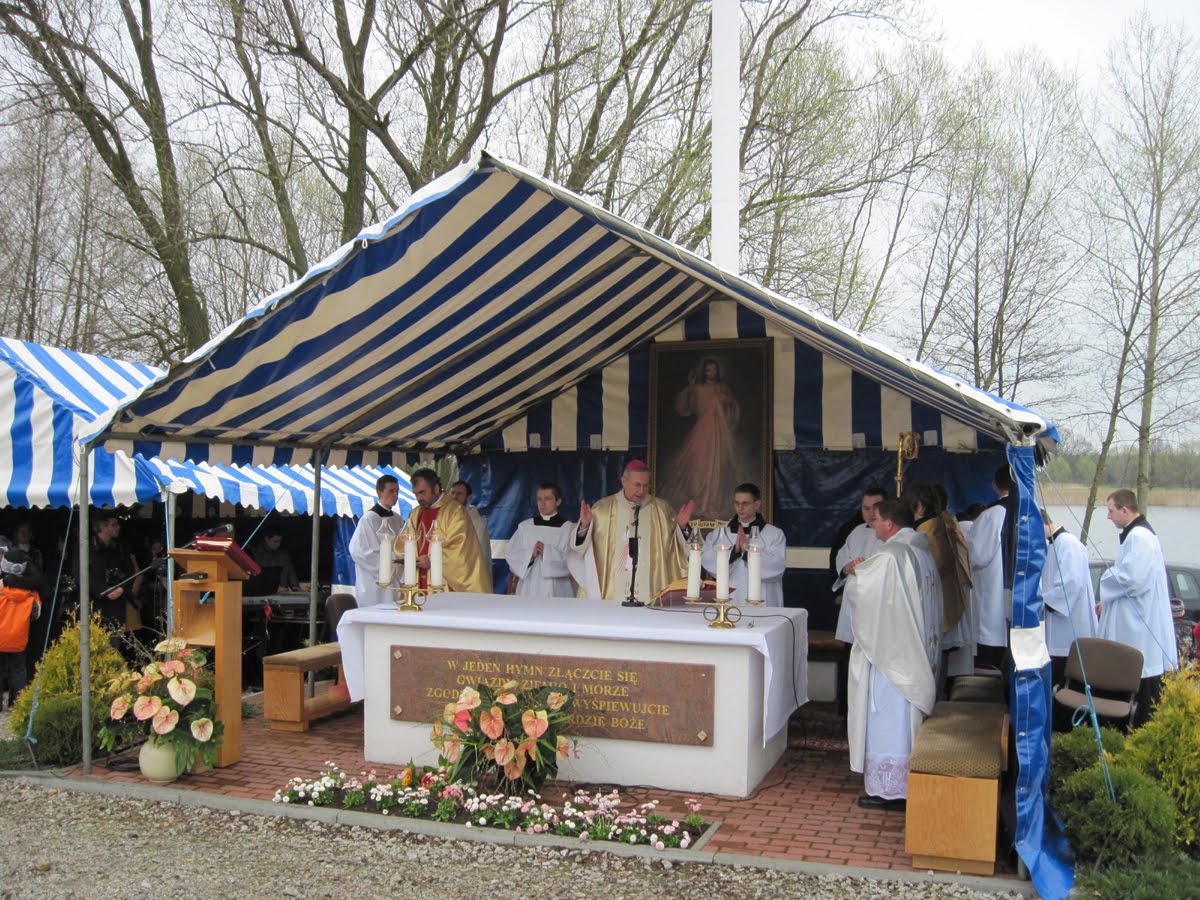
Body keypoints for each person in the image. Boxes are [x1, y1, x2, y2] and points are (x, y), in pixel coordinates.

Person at [844, 498, 939, 811]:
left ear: (889, 523)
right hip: (913, 648)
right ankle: (904, 782)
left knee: (888, 718)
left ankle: (891, 789)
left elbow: (866, 595)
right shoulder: (919, 549)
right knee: (902, 718)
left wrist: (856, 574)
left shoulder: (890, 555)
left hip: (893, 654)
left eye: (877, 519)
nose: (873, 524)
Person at [1097, 489, 1177, 726]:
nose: (1108, 517)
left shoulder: (1140, 537)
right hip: (1136, 617)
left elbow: (1133, 579)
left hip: (1139, 623)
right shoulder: (1136, 535)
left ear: (1125, 510)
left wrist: (1106, 576)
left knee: (1139, 675)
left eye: (1111, 511)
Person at [570, 460, 692, 602]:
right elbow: (580, 549)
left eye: (646, 486)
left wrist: (682, 527)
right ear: (624, 481)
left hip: (652, 593)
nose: (641, 491)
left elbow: (677, 550)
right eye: (637, 485)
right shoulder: (603, 509)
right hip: (611, 595)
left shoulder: (662, 510)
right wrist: (584, 526)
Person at [905, 481, 973, 681]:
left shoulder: (925, 534)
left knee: (932, 660)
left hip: (935, 602)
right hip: (950, 594)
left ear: (919, 507)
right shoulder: (943, 523)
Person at [658, 358, 741, 519]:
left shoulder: (723, 388)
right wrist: (690, 387)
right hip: (703, 432)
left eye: (714, 369)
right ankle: (699, 501)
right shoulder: (697, 389)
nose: (711, 372)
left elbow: (733, 409)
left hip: (720, 433)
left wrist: (727, 402)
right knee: (699, 466)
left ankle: (712, 502)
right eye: (708, 370)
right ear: (704, 372)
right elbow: (684, 408)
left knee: (717, 468)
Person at [1039, 510, 1098, 691]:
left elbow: (1070, 583)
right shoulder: (1055, 545)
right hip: (1058, 629)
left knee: (1069, 683)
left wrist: (1043, 601)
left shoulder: (1068, 543)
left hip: (1070, 629)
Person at [406, 469, 491, 593]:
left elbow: (461, 549)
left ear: (436, 489)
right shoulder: (415, 514)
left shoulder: (455, 511)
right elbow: (404, 543)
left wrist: (433, 560)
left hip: (445, 587)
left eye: (422, 492)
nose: (419, 498)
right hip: (417, 584)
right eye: (416, 494)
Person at [701, 483, 787, 606]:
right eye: (737, 503)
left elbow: (777, 567)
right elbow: (708, 560)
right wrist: (734, 553)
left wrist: (748, 550)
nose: (740, 508)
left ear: (757, 505)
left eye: (745, 504)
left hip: (763, 598)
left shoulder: (774, 534)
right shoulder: (720, 533)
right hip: (730, 598)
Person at [967, 465, 1010, 670]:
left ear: (995, 485)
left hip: (992, 600)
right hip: (1020, 600)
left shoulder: (992, 516)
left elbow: (976, 556)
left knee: (988, 662)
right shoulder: (1030, 514)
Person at [506, 483, 576, 598]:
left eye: (547, 499)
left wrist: (547, 552)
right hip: (529, 587)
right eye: (539, 499)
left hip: (558, 588)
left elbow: (573, 561)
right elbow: (511, 554)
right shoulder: (525, 527)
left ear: (558, 501)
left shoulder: (568, 529)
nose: (542, 503)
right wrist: (531, 554)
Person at [349, 475, 402, 608]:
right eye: (391, 491)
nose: (395, 495)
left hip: (394, 579)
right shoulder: (368, 519)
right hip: (372, 583)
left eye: (397, 491)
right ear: (380, 492)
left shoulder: (398, 519)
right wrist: (393, 559)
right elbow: (360, 552)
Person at [0, 548, 41, 710]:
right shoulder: (31, 594)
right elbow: (36, 615)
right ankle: (18, 705)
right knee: (18, 672)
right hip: (19, 640)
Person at [450, 480, 493, 580]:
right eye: (452, 493)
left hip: (469, 574)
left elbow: (479, 552)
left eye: (459, 494)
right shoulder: (444, 517)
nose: (454, 497)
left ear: (468, 498)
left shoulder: (477, 522)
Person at [250, 527, 300, 591]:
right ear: (267, 539)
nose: (278, 544)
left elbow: (291, 574)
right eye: (275, 541)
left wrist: (295, 586)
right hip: (263, 592)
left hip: (283, 592)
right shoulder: (255, 553)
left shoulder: (284, 555)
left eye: (280, 541)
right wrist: (274, 587)